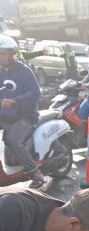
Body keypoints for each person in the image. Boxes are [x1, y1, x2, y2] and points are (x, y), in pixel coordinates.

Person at [0, 34, 44, 188]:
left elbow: (35, 92)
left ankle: (35, 173)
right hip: (5, 116)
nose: (0, 56)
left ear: (12, 54)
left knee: (13, 141)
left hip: (25, 115)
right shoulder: (1, 71)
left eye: (2, 53)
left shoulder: (24, 71)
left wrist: (15, 101)